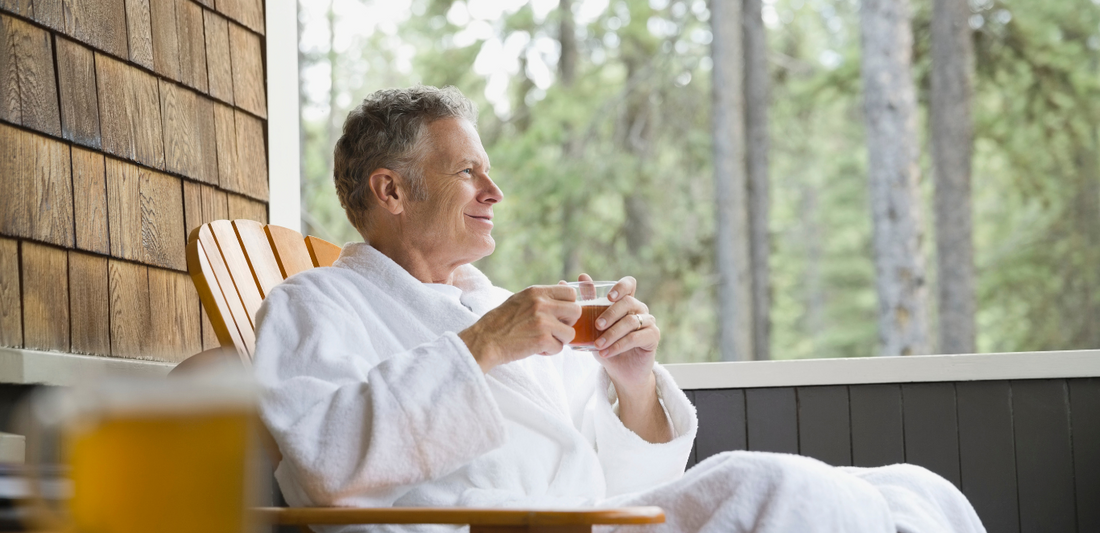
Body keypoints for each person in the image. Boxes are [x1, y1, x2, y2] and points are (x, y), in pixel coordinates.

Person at [253, 85, 985, 533]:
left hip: (592, 522)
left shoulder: (493, 305)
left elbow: (622, 472)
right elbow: (323, 460)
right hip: (499, 532)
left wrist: (631, 379)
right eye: (469, 171)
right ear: (392, 191)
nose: (494, 192)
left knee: (918, 490)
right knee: (779, 489)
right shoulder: (313, 305)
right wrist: (481, 347)